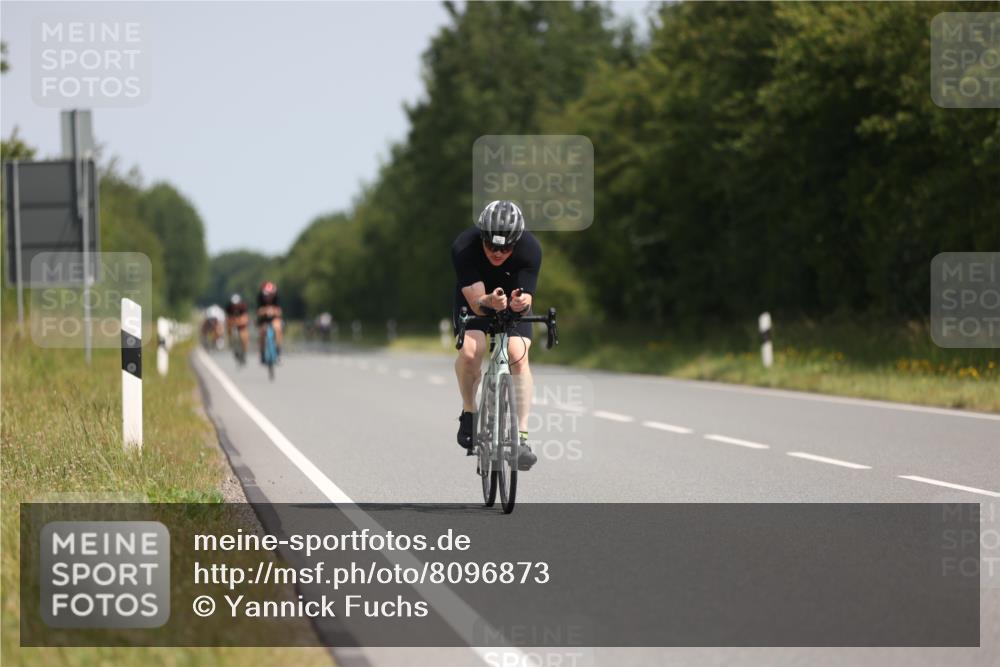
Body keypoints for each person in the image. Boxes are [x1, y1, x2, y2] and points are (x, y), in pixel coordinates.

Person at [452, 200, 541, 471]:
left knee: (517, 355)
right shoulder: (464, 247)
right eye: (491, 246)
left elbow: (527, 294)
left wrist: (519, 303)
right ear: (482, 237)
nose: (498, 252)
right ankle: (469, 411)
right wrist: (490, 299)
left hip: (510, 298)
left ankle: (522, 438)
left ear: (517, 241)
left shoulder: (530, 248)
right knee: (471, 352)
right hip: (475, 298)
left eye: (505, 248)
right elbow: (477, 300)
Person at [256, 281, 283, 363]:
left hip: (274, 317)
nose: (268, 297)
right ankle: (262, 352)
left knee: (278, 329)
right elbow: (258, 311)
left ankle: (278, 351)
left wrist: (273, 311)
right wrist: (265, 311)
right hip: (263, 318)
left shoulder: (277, 298)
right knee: (262, 332)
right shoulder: (260, 298)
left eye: (270, 294)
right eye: (266, 295)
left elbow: (280, 311)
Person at [225, 293, 250, 361]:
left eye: (236, 304)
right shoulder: (229, 307)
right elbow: (227, 318)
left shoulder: (243, 306)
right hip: (233, 323)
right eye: (234, 304)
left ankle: (244, 351)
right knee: (229, 330)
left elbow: (246, 317)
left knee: (244, 336)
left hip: (241, 324)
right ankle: (231, 343)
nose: (235, 306)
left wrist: (240, 321)